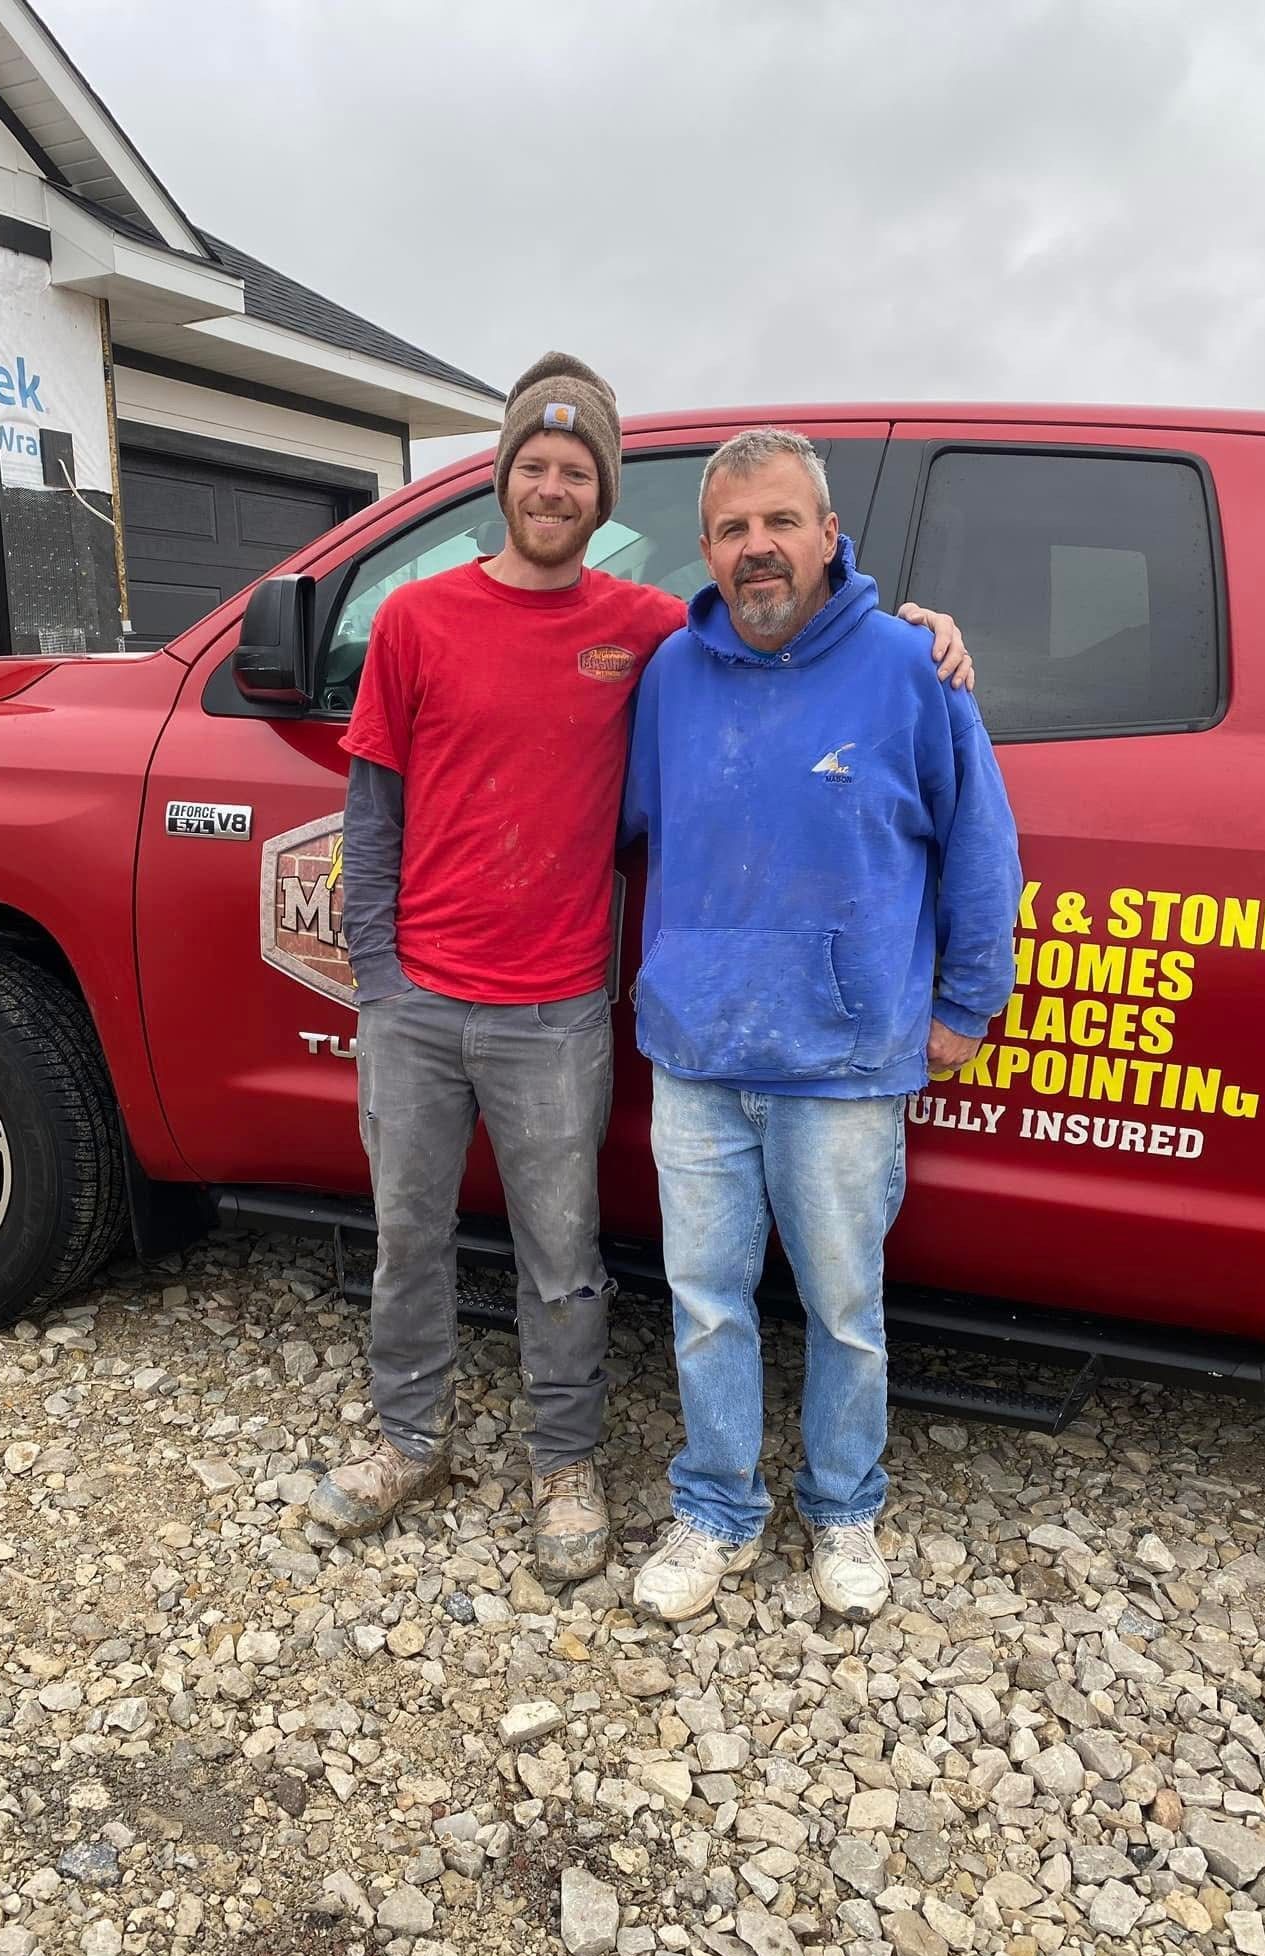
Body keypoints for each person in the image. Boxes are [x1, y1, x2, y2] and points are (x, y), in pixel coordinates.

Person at [307, 359, 974, 1584]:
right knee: (408, 1234)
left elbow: (796, 630)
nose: (553, 485)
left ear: (602, 494)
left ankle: (568, 1463)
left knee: (566, 1254)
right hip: (424, 1001)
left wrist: (916, 625)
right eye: (534, 464)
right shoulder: (426, 621)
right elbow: (372, 812)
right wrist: (378, 977)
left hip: (558, 1004)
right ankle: (411, 1438)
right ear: (503, 478)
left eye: (578, 471)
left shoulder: (651, 631)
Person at [623, 426, 1021, 1626]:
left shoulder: (911, 669)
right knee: (705, 1301)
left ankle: (845, 1506)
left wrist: (965, 1003)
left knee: (846, 1308)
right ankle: (716, 1509)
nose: (759, 549)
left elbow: (982, 847)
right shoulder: (669, 678)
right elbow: (623, 828)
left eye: (782, 522)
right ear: (705, 547)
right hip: (695, 1051)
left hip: (846, 1063)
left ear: (829, 534)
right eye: (735, 528)